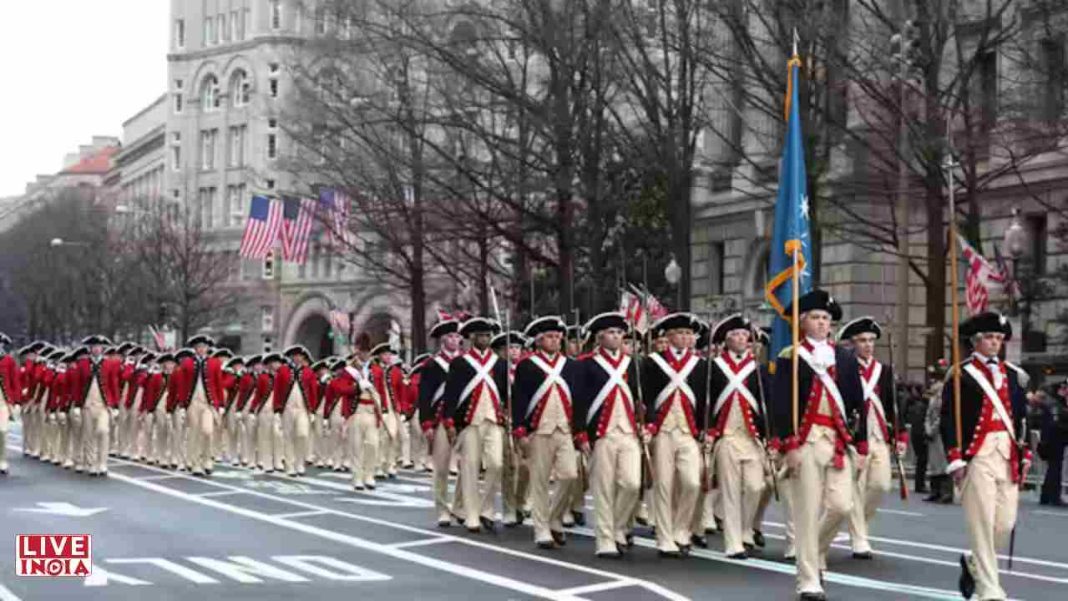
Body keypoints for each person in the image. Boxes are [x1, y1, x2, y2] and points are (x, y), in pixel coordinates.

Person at [769, 290, 866, 601]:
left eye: (826, 318)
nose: (822, 323)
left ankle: (814, 551)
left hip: (838, 440)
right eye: (815, 317)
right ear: (803, 322)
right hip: (806, 441)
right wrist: (789, 445)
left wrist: (861, 445)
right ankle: (808, 579)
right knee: (807, 513)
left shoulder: (845, 358)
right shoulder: (791, 357)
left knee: (842, 506)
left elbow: (857, 402)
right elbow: (781, 403)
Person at [942, 311, 1031, 601]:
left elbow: (1022, 419)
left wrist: (1025, 453)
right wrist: (955, 456)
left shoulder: (1015, 376)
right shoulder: (960, 375)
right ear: (975, 341)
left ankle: (973, 563)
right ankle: (989, 589)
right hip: (977, 455)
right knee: (981, 523)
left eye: (998, 338)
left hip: (1007, 454)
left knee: (1004, 523)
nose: (995, 343)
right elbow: (948, 420)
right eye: (989, 337)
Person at [830, 317, 908, 560]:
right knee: (857, 487)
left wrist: (900, 435)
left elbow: (894, 405)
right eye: (862, 341)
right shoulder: (845, 369)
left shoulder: (884, 371)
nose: (868, 345)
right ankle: (859, 538)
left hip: (880, 435)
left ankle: (859, 524)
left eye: (871, 341)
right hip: (855, 437)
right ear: (853, 344)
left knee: (881, 485)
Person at [642, 312, 709, 558]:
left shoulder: (700, 365)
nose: (685, 337)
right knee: (664, 484)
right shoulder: (652, 362)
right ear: (669, 337)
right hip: (663, 431)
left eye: (689, 333)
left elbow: (703, 400)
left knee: (692, 482)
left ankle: (681, 529)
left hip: (688, 431)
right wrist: (649, 423)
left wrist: (704, 428)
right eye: (680, 333)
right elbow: (647, 396)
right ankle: (664, 536)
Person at [576, 312, 641, 558]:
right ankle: (605, 539)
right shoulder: (586, 364)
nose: (616, 337)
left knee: (632, 484)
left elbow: (640, 397)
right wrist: (581, 432)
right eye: (611, 333)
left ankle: (619, 527)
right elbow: (580, 400)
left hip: (628, 431)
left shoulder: (632, 363)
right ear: (600, 337)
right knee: (603, 488)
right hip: (601, 432)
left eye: (619, 333)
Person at [513, 315, 582, 547]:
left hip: (564, 429)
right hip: (539, 430)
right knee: (539, 481)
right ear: (539, 340)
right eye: (550, 337)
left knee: (570, 475)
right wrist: (520, 430)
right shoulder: (527, 365)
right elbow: (520, 398)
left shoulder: (570, 365)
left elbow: (576, 399)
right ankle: (541, 529)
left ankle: (554, 518)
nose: (555, 341)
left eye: (557, 337)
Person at [706, 314, 768, 559]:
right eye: (736, 335)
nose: (742, 339)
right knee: (730, 491)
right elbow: (707, 402)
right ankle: (733, 543)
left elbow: (766, 405)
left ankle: (745, 529)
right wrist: (709, 431)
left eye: (745, 335)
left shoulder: (759, 369)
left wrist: (769, 436)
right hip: (727, 436)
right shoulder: (714, 368)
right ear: (726, 340)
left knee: (755, 487)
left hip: (751, 438)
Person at [444, 317, 509, 533]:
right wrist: (449, 421)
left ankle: (486, 508)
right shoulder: (460, 363)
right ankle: (471, 513)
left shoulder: (500, 364)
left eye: (488, 335)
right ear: (472, 338)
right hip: (470, 421)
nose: (485, 339)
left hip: (494, 420)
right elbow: (451, 394)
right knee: (470, 467)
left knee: (496, 464)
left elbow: (504, 394)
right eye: (481, 335)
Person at [70, 335, 122, 476]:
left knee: (103, 431)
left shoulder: (109, 364)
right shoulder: (82, 364)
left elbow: (113, 384)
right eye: (94, 347)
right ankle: (91, 463)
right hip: (87, 404)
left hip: (103, 404)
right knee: (88, 435)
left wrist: (116, 405)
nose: (97, 349)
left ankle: (102, 462)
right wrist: (76, 405)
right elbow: (77, 386)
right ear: (90, 349)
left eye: (99, 347)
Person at [174, 336, 226, 476]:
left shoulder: (214, 363)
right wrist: (182, 405)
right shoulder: (187, 363)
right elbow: (182, 386)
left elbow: (218, 384)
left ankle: (207, 460)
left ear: (207, 348)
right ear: (195, 349)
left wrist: (221, 403)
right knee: (194, 432)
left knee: (207, 431)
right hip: (192, 401)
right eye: (198, 347)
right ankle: (195, 463)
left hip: (208, 402)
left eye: (203, 347)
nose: (201, 349)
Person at [274, 345, 319, 477]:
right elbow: (277, 390)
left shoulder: (308, 372)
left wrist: (313, 410)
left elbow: (313, 391)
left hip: (303, 408)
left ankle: (300, 463)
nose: (297, 358)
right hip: (287, 407)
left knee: (302, 434)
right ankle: (290, 465)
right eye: (295, 356)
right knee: (288, 436)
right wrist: (277, 409)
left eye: (300, 356)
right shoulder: (283, 370)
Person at [369, 343, 404, 479]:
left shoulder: (396, 371)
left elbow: (401, 390)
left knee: (393, 436)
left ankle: (390, 464)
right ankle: (378, 465)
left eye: (389, 354)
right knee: (379, 438)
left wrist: (402, 409)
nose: (388, 357)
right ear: (379, 356)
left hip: (392, 407)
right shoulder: (374, 370)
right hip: (378, 406)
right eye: (385, 354)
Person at [924, 362, 952, 503]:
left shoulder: (944, 393)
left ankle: (946, 492)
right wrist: (927, 428)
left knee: (943, 464)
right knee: (934, 464)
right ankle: (934, 490)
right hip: (932, 433)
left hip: (940, 433)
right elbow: (928, 414)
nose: (933, 380)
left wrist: (933, 429)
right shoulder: (933, 394)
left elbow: (942, 415)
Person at [1039, 379, 1068, 506]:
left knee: (1052, 467)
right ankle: (1053, 496)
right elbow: (1056, 424)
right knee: (1055, 467)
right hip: (1054, 439)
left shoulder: (1054, 403)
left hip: (1051, 439)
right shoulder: (1055, 405)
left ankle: (1046, 495)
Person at [0, 333, 23, 475]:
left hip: (3, 402)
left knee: (2, 431)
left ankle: (2, 460)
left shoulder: (8, 361)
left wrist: (17, 401)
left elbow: (15, 381)